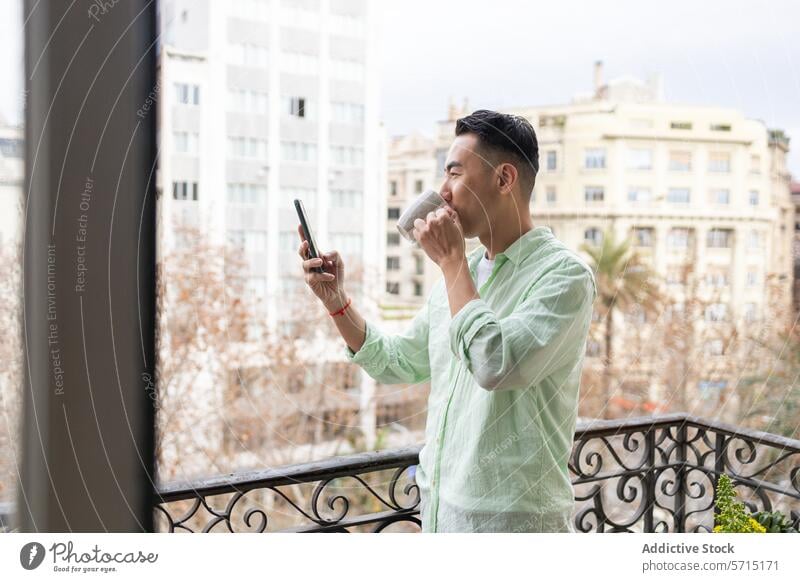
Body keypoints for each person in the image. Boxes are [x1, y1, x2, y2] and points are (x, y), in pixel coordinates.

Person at [298, 109, 597, 533]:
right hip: (440, 514)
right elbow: (399, 361)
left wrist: (453, 263)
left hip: (514, 526)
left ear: (504, 179)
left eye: (455, 174)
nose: (443, 192)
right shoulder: (464, 273)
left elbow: (495, 363)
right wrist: (337, 302)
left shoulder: (564, 277)